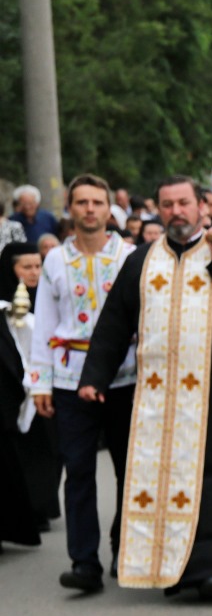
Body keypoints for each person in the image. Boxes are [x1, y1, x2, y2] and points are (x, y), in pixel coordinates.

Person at [78, 175, 212, 602]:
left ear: (200, 207)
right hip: (155, 398)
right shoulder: (142, 261)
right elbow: (114, 324)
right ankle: (172, 567)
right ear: (159, 209)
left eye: (183, 203)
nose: (176, 212)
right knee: (163, 477)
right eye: (167, 205)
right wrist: (94, 376)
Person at [28, 176, 137, 591]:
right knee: (77, 470)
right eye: (81, 202)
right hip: (70, 378)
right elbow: (45, 325)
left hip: (124, 377)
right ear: (70, 209)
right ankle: (84, 561)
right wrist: (39, 382)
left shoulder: (130, 255)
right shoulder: (54, 260)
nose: (90, 209)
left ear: (110, 210)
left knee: (128, 469)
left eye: (97, 202)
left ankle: (123, 546)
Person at [2, 240, 61, 537]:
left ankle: (44, 505)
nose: (34, 272)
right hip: (14, 387)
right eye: (26, 267)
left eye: (38, 266)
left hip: (46, 382)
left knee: (48, 448)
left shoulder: (49, 294)